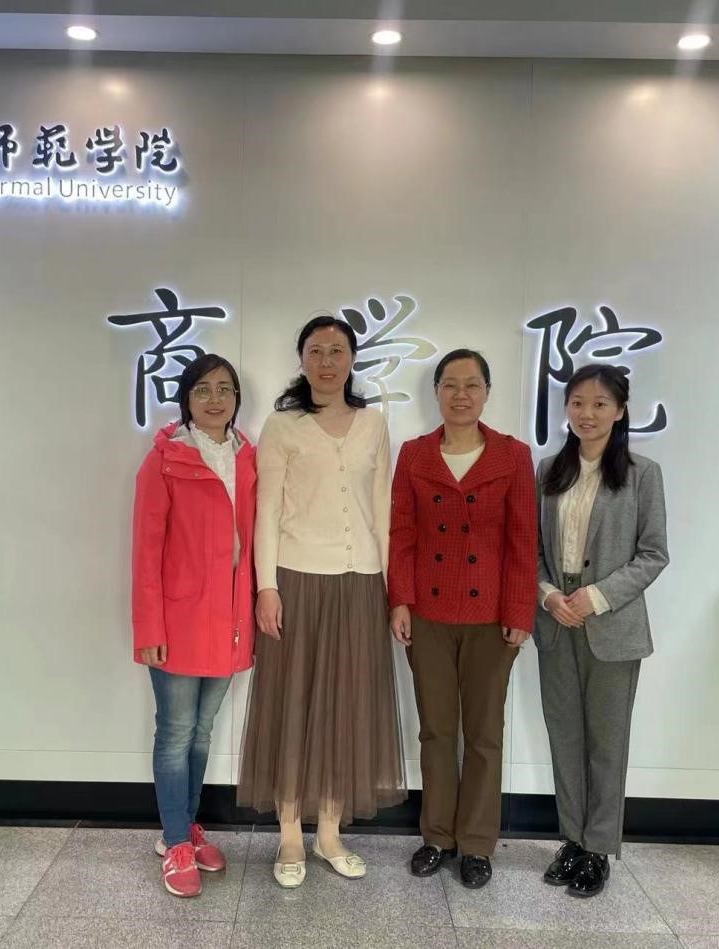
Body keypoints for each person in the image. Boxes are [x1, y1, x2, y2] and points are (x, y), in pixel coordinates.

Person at [237, 315, 406, 888]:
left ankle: (329, 833)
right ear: (302, 360)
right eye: (316, 351)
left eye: (337, 350)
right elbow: (266, 511)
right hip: (297, 578)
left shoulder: (374, 423)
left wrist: (392, 589)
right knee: (293, 702)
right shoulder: (283, 425)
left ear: (353, 358)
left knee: (347, 703)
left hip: (360, 581)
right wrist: (266, 586)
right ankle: (289, 833)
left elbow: (382, 508)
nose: (327, 361)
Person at [388, 348, 537, 889]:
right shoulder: (414, 454)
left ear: (487, 393)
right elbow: (402, 533)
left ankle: (476, 844)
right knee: (436, 731)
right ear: (436, 393)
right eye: (450, 384)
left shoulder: (512, 456)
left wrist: (519, 611)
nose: (460, 395)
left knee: (484, 735)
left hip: (491, 618)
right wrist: (400, 600)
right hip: (427, 614)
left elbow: (523, 540)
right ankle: (436, 837)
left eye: (472, 385)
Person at [534, 364, 669, 898]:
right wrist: (548, 595)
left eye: (599, 404)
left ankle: (598, 849)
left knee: (607, 743)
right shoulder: (548, 470)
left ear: (620, 411)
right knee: (564, 736)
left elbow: (653, 554)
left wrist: (595, 597)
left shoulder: (642, 473)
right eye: (577, 403)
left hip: (610, 622)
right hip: (556, 619)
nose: (586, 414)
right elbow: (530, 549)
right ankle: (572, 840)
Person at [130, 354, 257, 899]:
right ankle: (175, 841)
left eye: (225, 389)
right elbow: (145, 551)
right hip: (178, 620)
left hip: (230, 618)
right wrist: (149, 628)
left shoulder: (248, 457)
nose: (215, 399)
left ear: (236, 399)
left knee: (202, 733)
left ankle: (184, 826)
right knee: (176, 732)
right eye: (203, 389)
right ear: (186, 398)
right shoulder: (164, 460)